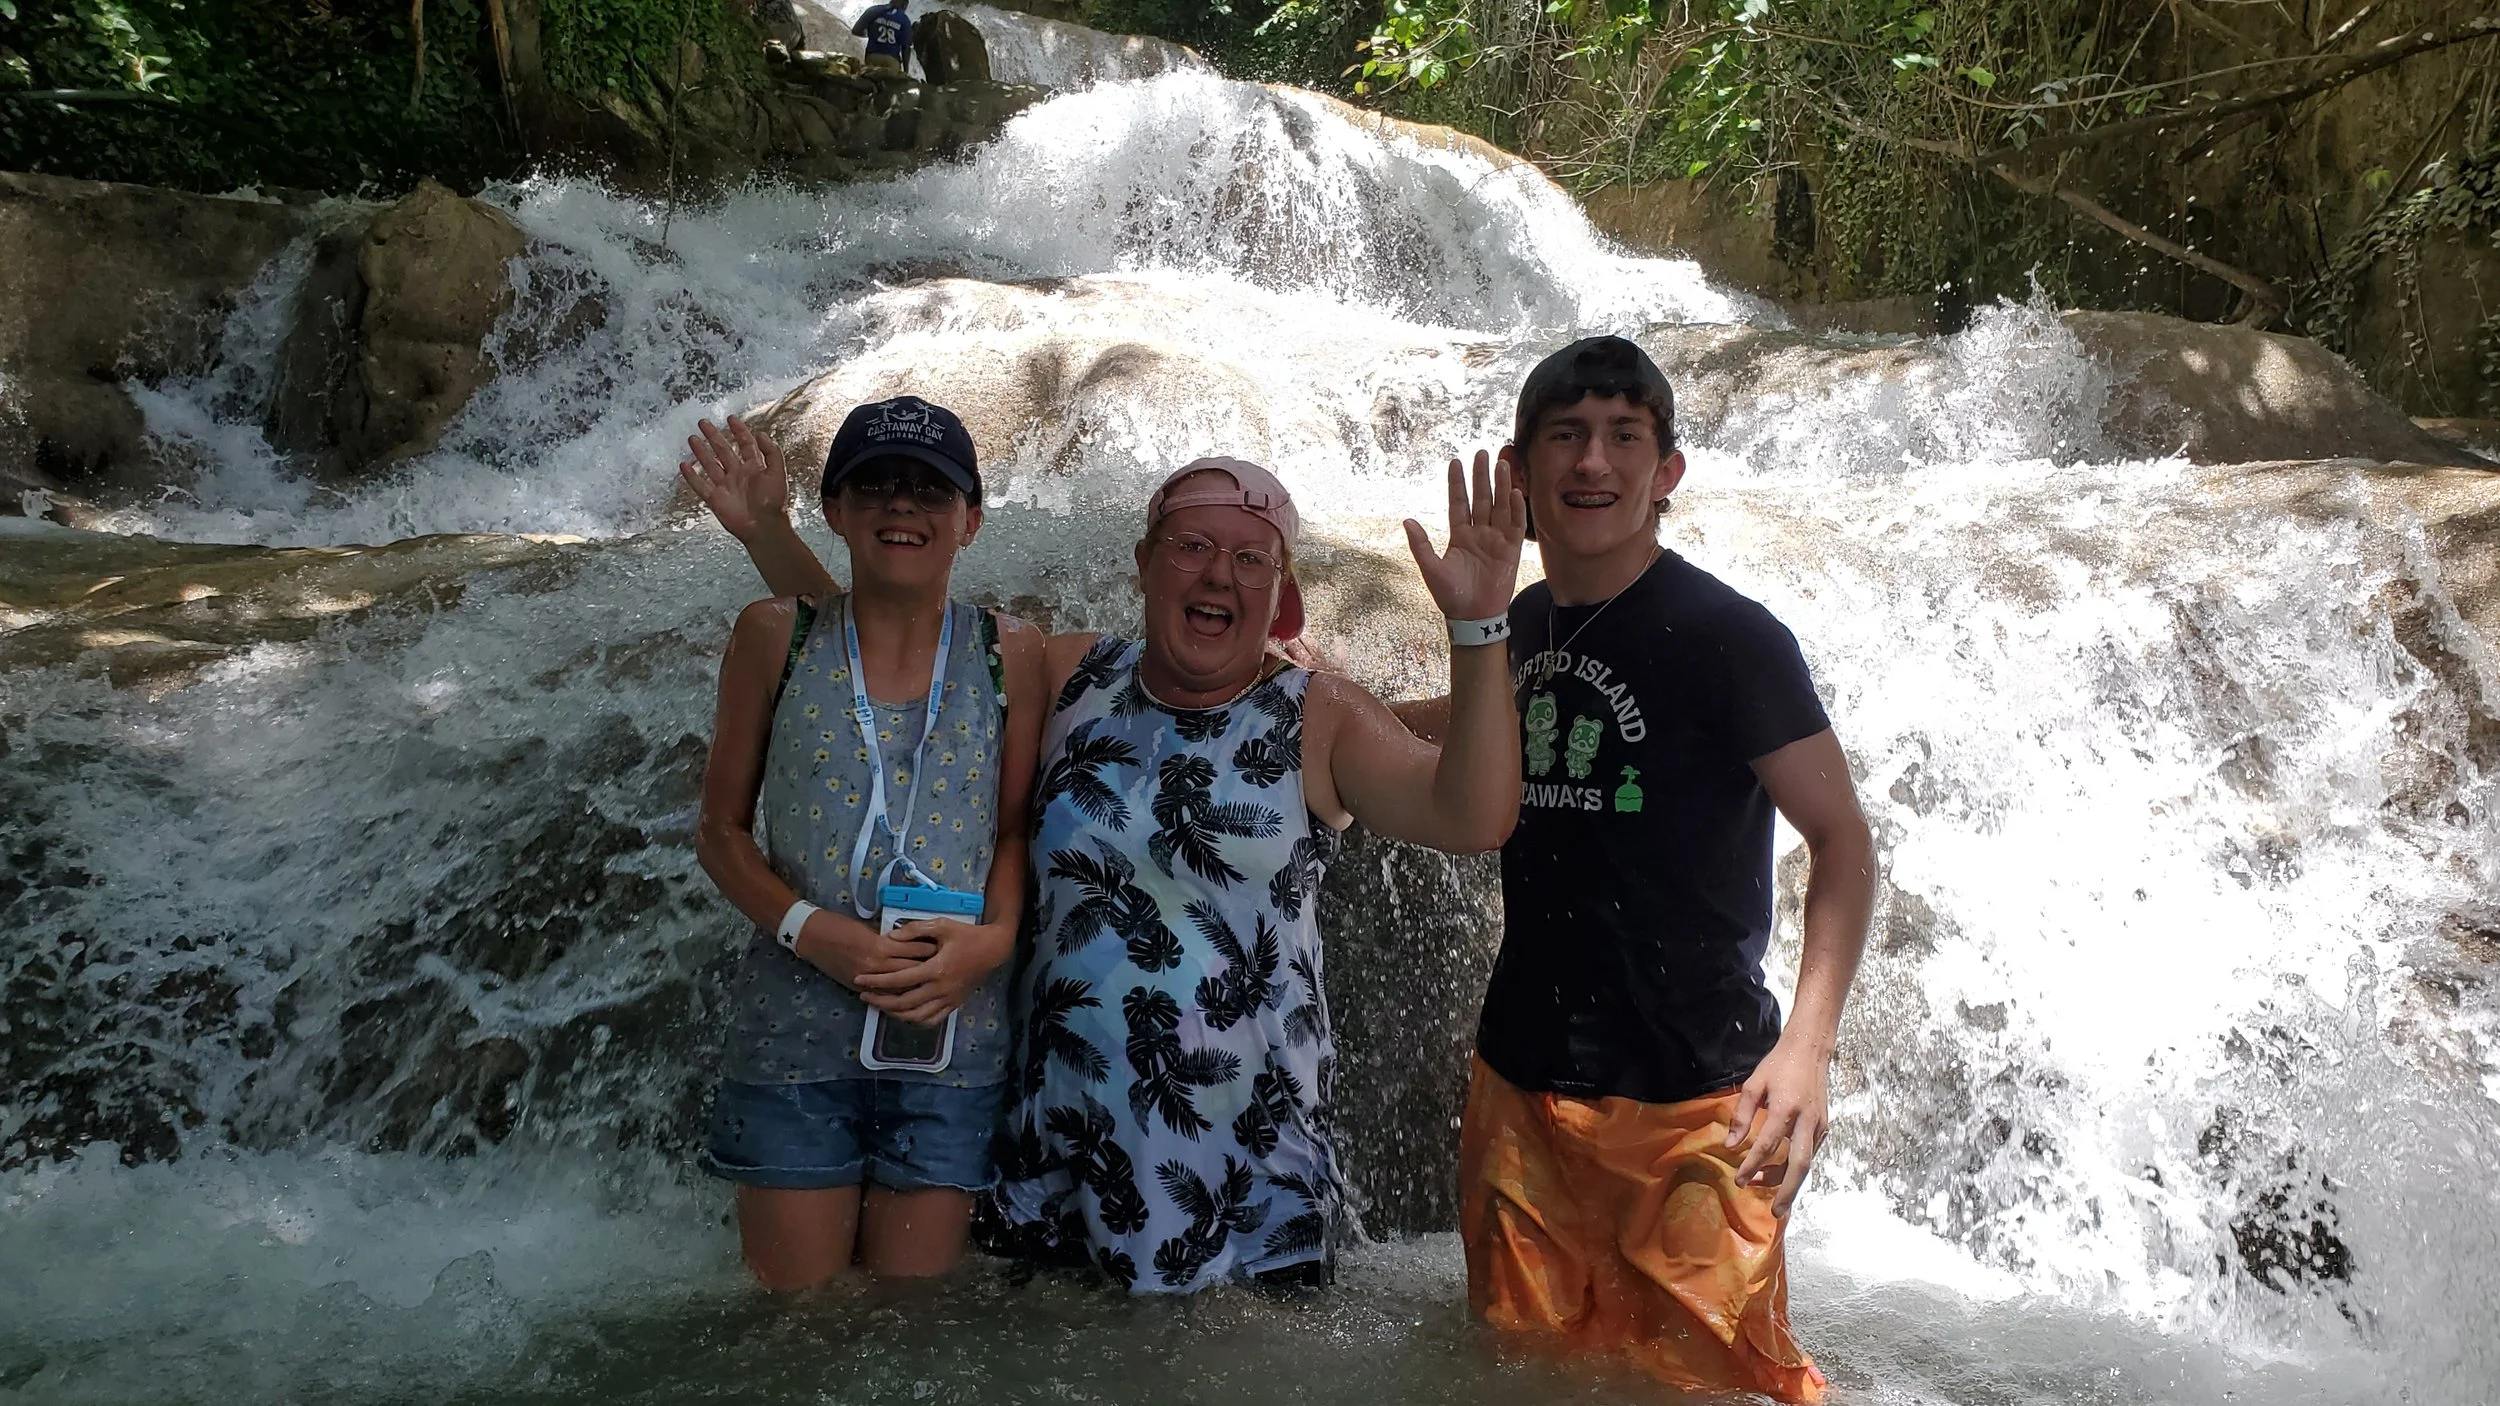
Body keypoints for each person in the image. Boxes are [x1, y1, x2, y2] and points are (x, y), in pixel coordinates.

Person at [685, 438, 1528, 1292]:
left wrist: (1479, 625)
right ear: (1144, 564)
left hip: (1240, 1184)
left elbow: (1472, 817)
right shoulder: (1069, 673)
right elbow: (885, 661)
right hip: (1049, 1167)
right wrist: (768, 535)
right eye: (1191, 547)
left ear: (1281, 593)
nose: (1217, 575)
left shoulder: (1317, 718)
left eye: (1249, 558)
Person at [1396, 336, 1875, 1401]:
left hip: (1694, 1102)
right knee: (1522, 1378)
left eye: (1623, 437)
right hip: (1520, 1084)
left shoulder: (1730, 639)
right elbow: (1468, 728)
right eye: (1564, 436)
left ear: (1667, 474)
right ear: (1519, 474)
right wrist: (1326, 706)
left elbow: (1840, 839)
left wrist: (1806, 1047)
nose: (1592, 463)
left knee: (1711, 1385)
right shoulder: (1518, 619)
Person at [687, 399, 1047, 1288]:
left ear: (970, 519)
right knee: (799, 1330)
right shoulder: (777, 634)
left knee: (907, 1331)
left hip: (948, 1037)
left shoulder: (1015, 652)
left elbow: (1012, 829)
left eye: (931, 491)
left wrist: (994, 943)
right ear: (836, 510)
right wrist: (817, 932)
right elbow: (719, 832)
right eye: (876, 485)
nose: (903, 507)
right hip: (792, 1040)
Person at [851, 0, 913, 76]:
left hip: (872, 56)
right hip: (892, 60)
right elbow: (906, 47)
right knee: (892, 84)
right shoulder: (904, 19)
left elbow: (856, 30)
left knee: (870, 79)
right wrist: (906, 71)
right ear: (904, 5)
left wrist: (871, 34)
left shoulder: (874, 10)